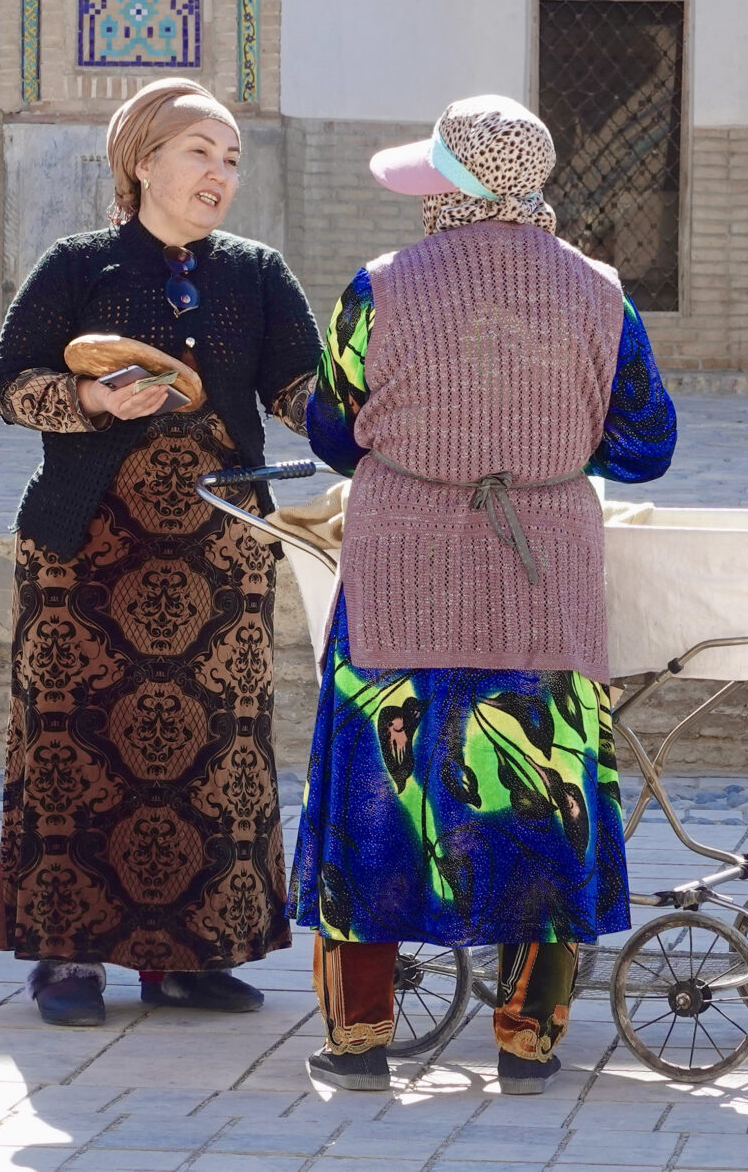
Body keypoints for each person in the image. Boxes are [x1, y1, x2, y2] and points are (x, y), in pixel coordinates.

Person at [289, 95, 677, 1095]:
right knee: (540, 793)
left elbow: (334, 432)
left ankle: (361, 1036)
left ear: (453, 184)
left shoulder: (377, 286)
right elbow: (646, 447)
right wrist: (545, 438)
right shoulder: (600, 291)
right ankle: (527, 1039)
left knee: (378, 796)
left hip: (398, 574)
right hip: (541, 576)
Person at [0, 78, 320, 1027]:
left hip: (218, 553)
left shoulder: (256, 272)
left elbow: (301, 385)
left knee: (213, 751)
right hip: (82, 554)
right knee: (73, 744)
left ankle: (190, 956)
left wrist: (366, 420)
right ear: (142, 162)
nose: (220, 173)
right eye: (199, 153)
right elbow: (10, 386)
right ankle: (67, 959)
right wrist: (90, 402)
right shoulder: (78, 264)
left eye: (232, 158)